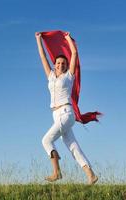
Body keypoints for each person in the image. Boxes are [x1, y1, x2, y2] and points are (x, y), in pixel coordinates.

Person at [35, 31, 98, 185]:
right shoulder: (50, 76)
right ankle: (91, 175)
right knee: (73, 146)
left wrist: (68, 39)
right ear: (55, 65)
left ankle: (57, 173)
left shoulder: (69, 76)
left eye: (63, 63)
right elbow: (43, 57)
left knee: (46, 140)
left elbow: (74, 53)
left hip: (66, 113)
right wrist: (39, 40)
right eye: (58, 63)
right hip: (56, 115)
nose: (61, 65)